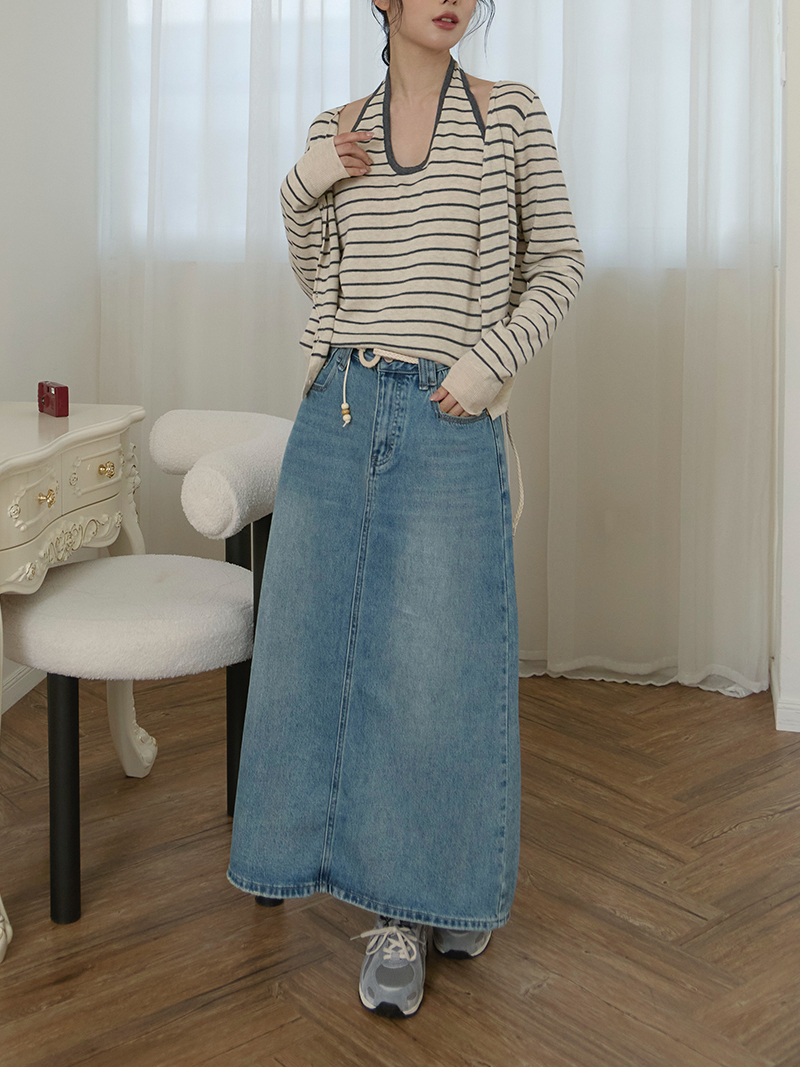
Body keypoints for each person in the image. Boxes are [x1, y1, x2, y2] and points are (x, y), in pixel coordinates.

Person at [228, 0, 583, 1018]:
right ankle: (394, 902)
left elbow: (559, 264)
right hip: (337, 410)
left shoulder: (509, 114)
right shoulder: (335, 126)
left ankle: (430, 896)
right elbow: (319, 276)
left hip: (446, 411)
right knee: (312, 654)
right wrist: (305, 184)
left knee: (438, 670)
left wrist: (487, 363)